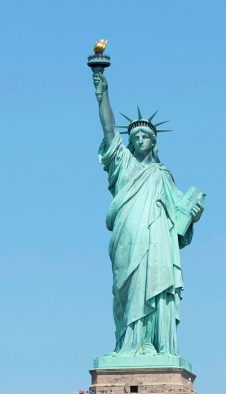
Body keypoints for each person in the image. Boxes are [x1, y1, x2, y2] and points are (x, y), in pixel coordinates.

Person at [92, 66, 204, 358]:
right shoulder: (124, 166)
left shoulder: (162, 175)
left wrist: (193, 211)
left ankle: (151, 343)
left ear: (154, 142)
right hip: (128, 238)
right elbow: (108, 129)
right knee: (127, 290)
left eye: (146, 136)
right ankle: (128, 344)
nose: (140, 139)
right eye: (135, 136)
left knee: (154, 286)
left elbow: (181, 214)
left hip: (157, 243)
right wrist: (102, 94)